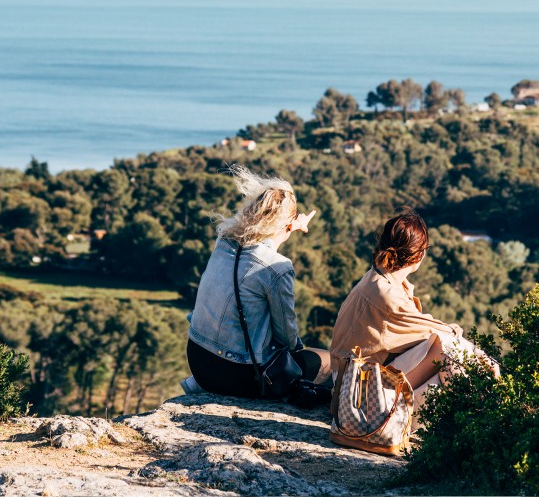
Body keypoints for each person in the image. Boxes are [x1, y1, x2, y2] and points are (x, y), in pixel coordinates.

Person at [184, 165, 332, 400]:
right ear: (285, 225)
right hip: (238, 374)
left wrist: (291, 223)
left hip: (199, 361)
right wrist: (297, 353)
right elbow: (287, 336)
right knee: (330, 362)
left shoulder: (224, 241)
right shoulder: (277, 268)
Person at [330, 207, 499, 409]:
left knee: (439, 379)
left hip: (350, 386)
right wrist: (481, 356)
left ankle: (473, 421)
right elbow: (439, 333)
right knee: (447, 350)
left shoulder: (377, 278)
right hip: (356, 397)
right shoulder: (387, 295)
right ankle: (484, 421)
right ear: (418, 255)